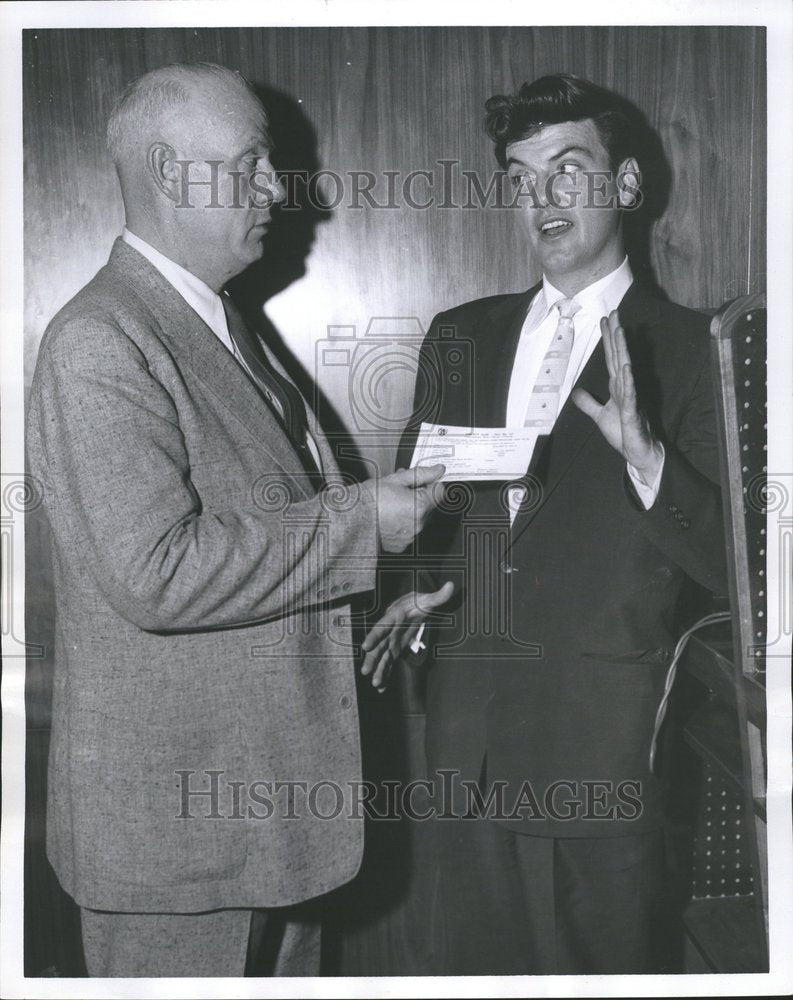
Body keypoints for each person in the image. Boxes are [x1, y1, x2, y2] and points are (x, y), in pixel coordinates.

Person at [26, 61, 446, 978]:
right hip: (177, 849)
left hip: (266, 829)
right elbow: (157, 573)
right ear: (173, 174)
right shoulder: (101, 339)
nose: (277, 189)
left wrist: (375, 574)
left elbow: (259, 534)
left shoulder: (212, 321)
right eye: (252, 163)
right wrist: (361, 526)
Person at [361, 74, 726, 974]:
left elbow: (739, 569)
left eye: (569, 169)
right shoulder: (461, 337)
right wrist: (421, 591)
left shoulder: (696, 351)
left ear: (627, 187)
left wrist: (649, 465)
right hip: (462, 749)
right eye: (522, 178)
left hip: (601, 752)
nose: (542, 198)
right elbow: (429, 515)